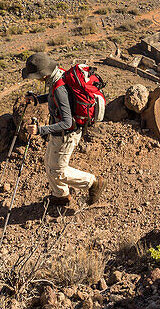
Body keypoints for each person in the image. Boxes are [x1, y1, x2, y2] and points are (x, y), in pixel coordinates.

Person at [21, 52, 105, 212]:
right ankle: (60, 195)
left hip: (67, 135)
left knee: (57, 170)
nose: (34, 79)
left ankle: (92, 182)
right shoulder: (58, 74)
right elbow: (58, 98)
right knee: (49, 163)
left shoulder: (58, 86)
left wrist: (40, 130)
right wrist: (38, 99)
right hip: (59, 133)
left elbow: (66, 122)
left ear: (42, 75)